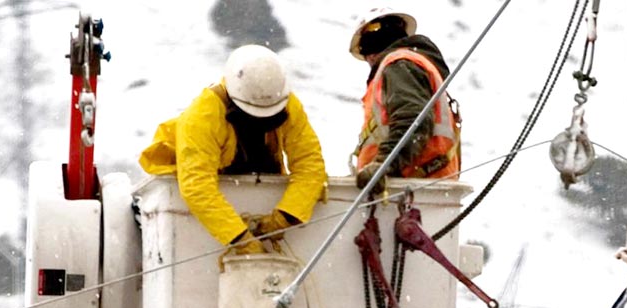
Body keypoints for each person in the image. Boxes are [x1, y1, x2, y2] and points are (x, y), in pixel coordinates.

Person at [139, 45, 327, 255]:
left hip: (257, 187)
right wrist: (240, 238)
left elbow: (309, 163)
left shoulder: (287, 104)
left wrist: (286, 215)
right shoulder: (202, 116)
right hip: (199, 219)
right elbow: (197, 185)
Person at [349, 8, 461, 195]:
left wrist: (383, 165)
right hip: (426, 187)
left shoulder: (399, 65)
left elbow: (413, 121)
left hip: (410, 189)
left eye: (367, 50)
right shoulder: (417, 66)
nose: (368, 60)